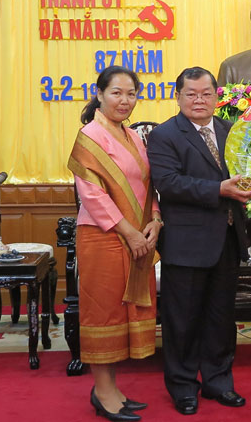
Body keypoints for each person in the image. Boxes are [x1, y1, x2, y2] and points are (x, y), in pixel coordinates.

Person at [147, 67, 251, 416]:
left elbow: (249, 170)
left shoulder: (230, 130)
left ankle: (219, 382)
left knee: (221, 319)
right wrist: (218, 189)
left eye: (206, 93)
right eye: (191, 94)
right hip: (186, 244)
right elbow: (169, 183)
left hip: (226, 239)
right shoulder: (165, 135)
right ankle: (182, 387)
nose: (199, 100)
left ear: (217, 96)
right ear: (178, 97)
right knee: (182, 321)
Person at [68, 66, 162, 422]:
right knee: (104, 311)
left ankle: (112, 389)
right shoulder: (89, 135)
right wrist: (131, 232)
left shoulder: (133, 136)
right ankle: (102, 392)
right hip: (104, 236)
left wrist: (154, 219)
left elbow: (150, 185)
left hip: (137, 236)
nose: (125, 101)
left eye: (131, 94)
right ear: (100, 94)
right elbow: (92, 196)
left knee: (125, 311)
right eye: (117, 93)